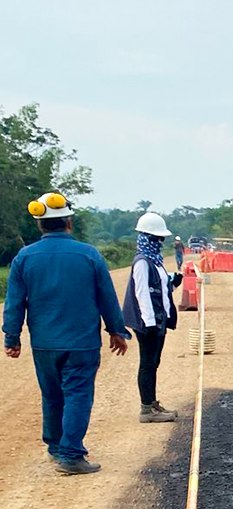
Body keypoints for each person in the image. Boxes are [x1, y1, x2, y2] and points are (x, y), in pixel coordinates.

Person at [3, 192, 130, 475]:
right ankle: (71, 455)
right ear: (69, 222)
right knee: (78, 394)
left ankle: (55, 446)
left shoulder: (24, 257)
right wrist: (116, 330)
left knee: (51, 394)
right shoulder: (89, 254)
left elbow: (14, 303)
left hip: (44, 344)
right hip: (81, 343)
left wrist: (11, 338)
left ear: (40, 225)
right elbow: (106, 298)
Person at [122, 213, 183, 424]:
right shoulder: (142, 262)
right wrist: (149, 323)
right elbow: (142, 293)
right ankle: (146, 410)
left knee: (154, 362)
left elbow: (160, 290)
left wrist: (174, 283)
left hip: (158, 319)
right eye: (157, 238)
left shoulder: (155, 262)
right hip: (148, 322)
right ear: (147, 238)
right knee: (147, 363)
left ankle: (152, 402)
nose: (160, 242)